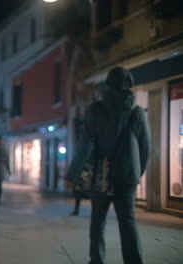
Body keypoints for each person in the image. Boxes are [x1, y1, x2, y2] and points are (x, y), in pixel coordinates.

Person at [64, 67, 151, 264]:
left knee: (98, 220)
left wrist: (71, 175)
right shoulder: (136, 113)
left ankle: (96, 260)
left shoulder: (96, 110)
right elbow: (146, 149)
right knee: (128, 220)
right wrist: (137, 173)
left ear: (108, 86)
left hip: (99, 175)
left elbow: (85, 144)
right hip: (127, 176)